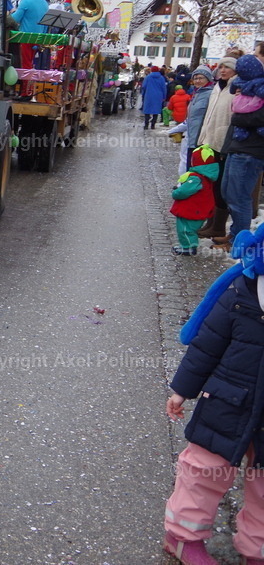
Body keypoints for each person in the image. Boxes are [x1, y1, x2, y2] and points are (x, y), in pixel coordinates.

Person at [163, 223, 264, 564]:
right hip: (227, 401)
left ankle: (258, 548)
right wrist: (181, 390)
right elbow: (206, 346)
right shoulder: (240, 292)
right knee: (205, 471)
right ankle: (182, 537)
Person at [220, 54, 264, 249]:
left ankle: (240, 242)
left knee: (239, 197)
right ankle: (234, 235)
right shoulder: (244, 87)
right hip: (238, 147)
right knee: (228, 193)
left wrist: (238, 118)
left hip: (251, 151)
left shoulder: (260, 88)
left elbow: (256, 118)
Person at [197, 57, 237, 244]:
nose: (222, 70)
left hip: (223, 143)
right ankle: (210, 222)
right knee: (211, 184)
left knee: (221, 186)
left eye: (227, 67)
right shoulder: (216, 87)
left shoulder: (235, 88)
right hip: (209, 141)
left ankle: (219, 226)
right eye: (221, 66)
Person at [169, 145, 219, 255]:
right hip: (197, 209)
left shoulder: (196, 178)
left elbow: (183, 192)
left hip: (191, 210)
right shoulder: (206, 176)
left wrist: (175, 192)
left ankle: (188, 247)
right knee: (190, 229)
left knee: (186, 229)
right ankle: (188, 245)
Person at [11, 0, 49, 73]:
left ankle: (25, 88)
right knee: (31, 64)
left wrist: (10, 13)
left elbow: (15, 19)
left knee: (25, 66)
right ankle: (29, 87)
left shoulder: (25, 2)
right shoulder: (45, 4)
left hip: (25, 38)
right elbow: (46, 25)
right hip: (38, 39)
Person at [141, 65, 168, 130]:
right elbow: (164, 88)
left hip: (149, 95)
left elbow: (144, 86)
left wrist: (143, 94)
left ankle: (146, 125)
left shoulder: (148, 77)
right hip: (158, 96)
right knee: (156, 111)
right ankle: (153, 125)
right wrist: (164, 96)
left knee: (147, 110)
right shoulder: (161, 78)